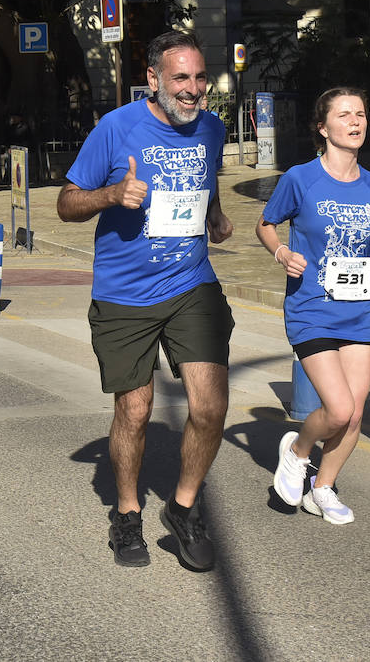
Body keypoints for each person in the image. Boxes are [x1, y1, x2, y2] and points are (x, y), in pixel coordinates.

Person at [56, 30, 233, 572]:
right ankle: (128, 512)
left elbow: (205, 180)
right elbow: (66, 203)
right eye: (181, 78)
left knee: (209, 405)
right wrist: (111, 196)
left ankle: (182, 507)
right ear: (153, 80)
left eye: (201, 78)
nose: (194, 90)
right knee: (136, 410)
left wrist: (214, 216)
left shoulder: (213, 130)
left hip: (190, 283)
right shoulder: (115, 129)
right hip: (125, 293)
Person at [257, 87, 370, 525]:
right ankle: (297, 451)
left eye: (360, 114)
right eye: (344, 115)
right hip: (311, 306)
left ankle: (322, 487)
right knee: (338, 408)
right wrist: (281, 254)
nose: (356, 121)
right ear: (323, 128)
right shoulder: (300, 179)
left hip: (358, 308)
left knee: (356, 413)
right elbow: (266, 224)